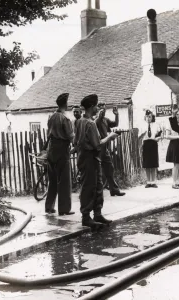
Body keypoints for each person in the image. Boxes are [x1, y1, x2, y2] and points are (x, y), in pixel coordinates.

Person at [74, 94, 119, 228]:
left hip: (85, 157)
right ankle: (86, 217)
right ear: (92, 107)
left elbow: (76, 141)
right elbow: (97, 145)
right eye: (96, 106)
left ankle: (97, 214)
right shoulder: (90, 123)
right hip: (90, 158)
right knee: (90, 187)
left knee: (97, 186)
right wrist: (110, 137)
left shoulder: (79, 121)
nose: (97, 109)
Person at [45, 93, 75, 216]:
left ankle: (49, 207)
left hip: (51, 150)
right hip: (62, 150)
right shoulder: (65, 118)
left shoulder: (51, 117)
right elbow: (71, 136)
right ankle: (64, 209)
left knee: (52, 180)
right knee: (64, 180)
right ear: (66, 104)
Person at [95, 102, 125, 196]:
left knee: (109, 168)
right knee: (97, 171)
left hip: (105, 148)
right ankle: (95, 192)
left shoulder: (105, 120)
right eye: (101, 109)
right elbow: (98, 120)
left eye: (104, 109)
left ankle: (114, 190)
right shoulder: (95, 120)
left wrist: (116, 115)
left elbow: (115, 124)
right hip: (98, 148)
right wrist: (99, 114)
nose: (103, 111)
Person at [165, 106, 179, 189]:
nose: (178, 115)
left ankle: (178, 181)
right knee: (176, 164)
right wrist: (178, 137)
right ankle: (174, 182)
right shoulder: (170, 123)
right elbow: (167, 136)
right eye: (177, 114)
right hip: (174, 144)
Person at [141, 110, 163, 188]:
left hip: (153, 144)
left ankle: (153, 182)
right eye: (147, 116)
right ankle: (148, 182)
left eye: (149, 116)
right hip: (146, 144)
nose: (148, 118)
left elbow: (160, 134)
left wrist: (158, 138)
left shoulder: (156, 125)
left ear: (152, 117)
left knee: (153, 164)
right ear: (145, 117)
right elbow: (139, 137)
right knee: (147, 164)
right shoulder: (142, 125)